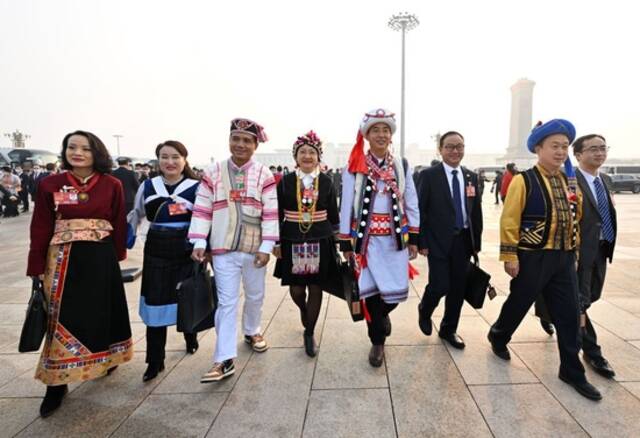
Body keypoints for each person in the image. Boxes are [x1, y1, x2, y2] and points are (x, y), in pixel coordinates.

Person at [488, 119, 602, 401]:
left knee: (568, 315)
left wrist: (573, 252)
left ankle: (572, 371)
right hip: (533, 256)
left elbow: (577, 218)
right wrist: (510, 255)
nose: (560, 151)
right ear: (538, 149)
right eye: (554, 146)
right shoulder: (523, 180)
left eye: (564, 146)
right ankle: (499, 335)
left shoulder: (569, 181)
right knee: (518, 303)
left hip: (563, 259)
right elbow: (510, 219)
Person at [26, 130, 133, 417]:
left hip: (100, 258)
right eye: (72, 147)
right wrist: (35, 266)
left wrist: (118, 255)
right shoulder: (50, 184)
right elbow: (40, 226)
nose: (78, 153)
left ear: (96, 152)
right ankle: (56, 385)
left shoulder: (111, 184)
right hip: (61, 260)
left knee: (102, 311)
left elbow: (118, 221)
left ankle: (108, 358)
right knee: (60, 316)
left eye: (85, 148)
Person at [189, 118, 278, 382]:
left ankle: (252, 330)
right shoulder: (213, 172)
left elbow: (271, 212)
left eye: (246, 141)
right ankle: (223, 359)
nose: (240, 145)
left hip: (253, 250)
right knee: (226, 303)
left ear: (255, 145)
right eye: (235, 139)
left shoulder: (264, 174)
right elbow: (202, 208)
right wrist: (199, 241)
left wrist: (267, 246)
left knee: (255, 295)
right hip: (222, 248)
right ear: (229, 141)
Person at [338, 108, 419, 367]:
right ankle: (377, 342)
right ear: (367, 135)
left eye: (386, 130)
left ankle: (383, 318)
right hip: (366, 242)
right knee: (371, 295)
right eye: (376, 130)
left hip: (395, 241)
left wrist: (415, 237)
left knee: (395, 293)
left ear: (391, 135)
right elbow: (346, 204)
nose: (381, 135)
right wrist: (345, 241)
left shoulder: (402, 165)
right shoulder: (354, 166)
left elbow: (411, 201)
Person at [537, 134, 617, 378]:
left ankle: (547, 308)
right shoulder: (568, 180)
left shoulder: (605, 179)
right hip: (577, 251)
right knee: (578, 302)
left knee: (590, 296)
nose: (599, 153)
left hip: (601, 249)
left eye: (603, 148)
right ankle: (592, 352)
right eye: (593, 149)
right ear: (578, 154)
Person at [127, 141, 201, 382]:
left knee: (186, 297)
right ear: (158, 160)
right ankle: (154, 360)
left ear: (185, 160)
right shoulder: (148, 186)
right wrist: (127, 239)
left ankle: (191, 336)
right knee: (156, 302)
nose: (170, 162)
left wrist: (203, 246)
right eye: (164, 157)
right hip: (157, 249)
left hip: (187, 250)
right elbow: (135, 214)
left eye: (175, 156)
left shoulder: (196, 187)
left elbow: (205, 219)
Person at [273, 131, 340, 357]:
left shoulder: (328, 181)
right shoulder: (286, 181)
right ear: (296, 156)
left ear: (318, 157)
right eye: (303, 152)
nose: (307, 156)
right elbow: (276, 213)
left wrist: (340, 242)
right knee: (297, 289)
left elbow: (333, 213)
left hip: (321, 238)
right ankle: (303, 309)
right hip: (292, 239)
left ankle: (309, 332)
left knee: (316, 287)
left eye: (312, 152)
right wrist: (274, 241)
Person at [417, 131, 483, 349]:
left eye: (459, 146)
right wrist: (421, 241)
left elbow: (476, 213)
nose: (455, 151)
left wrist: (476, 244)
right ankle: (425, 309)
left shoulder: (471, 177)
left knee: (458, 288)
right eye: (450, 146)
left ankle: (449, 329)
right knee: (440, 284)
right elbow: (421, 211)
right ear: (440, 149)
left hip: (463, 241)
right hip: (437, 240)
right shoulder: (429, 176)